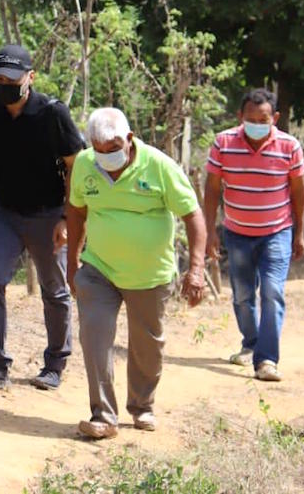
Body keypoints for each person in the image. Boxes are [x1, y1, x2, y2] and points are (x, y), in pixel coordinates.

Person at [66, 108, 206, 439]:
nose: (106, 155)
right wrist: (73, 263)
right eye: (99, 149)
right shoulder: (85, 164)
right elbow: (75, 211)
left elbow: (193, 215)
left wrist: (196, 270)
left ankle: (142, 406)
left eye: (113, 148)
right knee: (94, 339)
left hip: (149, 275)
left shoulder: (159, 166)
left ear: (129, 139)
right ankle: (103, 415)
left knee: (146, 346)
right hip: (99, 269)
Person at [0, 44, 86, 391]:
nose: (4, 85)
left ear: (30, 78)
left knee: (56, 289)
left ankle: (54, 364)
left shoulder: (53, 114)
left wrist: (68, 217)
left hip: (48, 214)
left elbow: (74, 167)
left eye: (12, 79)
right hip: (4, 211)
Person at [203, 88, 304, 382]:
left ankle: (267, 360)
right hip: (237, 233)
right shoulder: (224, 143)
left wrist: (300, 232)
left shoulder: (289, 146)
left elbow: (298, 192)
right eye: (251, 118)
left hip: (278, 232)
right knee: (243, 295)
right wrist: (210, 232)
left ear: (274, 117)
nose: (257, 124)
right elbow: (212, 189)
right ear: (240, 116)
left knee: (273, 292)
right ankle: (250, 343)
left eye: (263, 119)